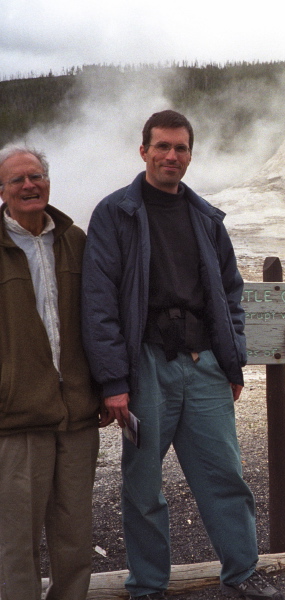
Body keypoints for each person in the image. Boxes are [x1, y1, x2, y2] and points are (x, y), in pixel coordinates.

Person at [81, 110, 284, 600]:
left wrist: (231, 359)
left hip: (205, 364)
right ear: (143, 150)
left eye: (181, 148)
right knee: (144, 483)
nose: (171, 156)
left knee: (224, 474)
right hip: (147, 364)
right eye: (162, 146)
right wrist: (113, 382)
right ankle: (148, 584)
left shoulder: (206, 217)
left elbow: (231, 294)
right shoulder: (116, 214)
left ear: (190, 154)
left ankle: (242, 570)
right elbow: (99, 302)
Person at [0, 146, 104, 600]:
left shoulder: (74, 240)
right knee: (16, 541)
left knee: (74, 536)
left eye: (37, 176)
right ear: (1, 190)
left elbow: (102, 320)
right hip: (18, 416)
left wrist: (105, 388)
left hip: (77, 412)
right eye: (18, 179)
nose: (29, 185)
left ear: (48, 182)